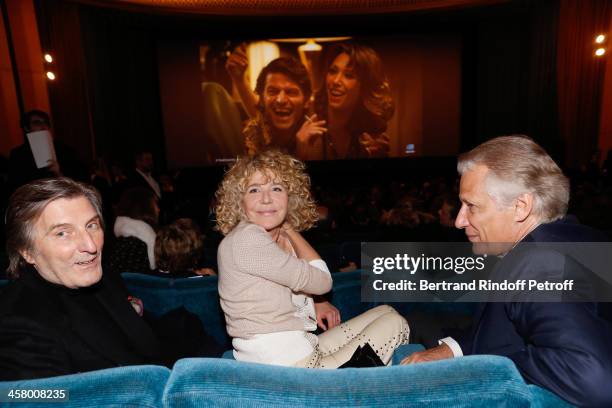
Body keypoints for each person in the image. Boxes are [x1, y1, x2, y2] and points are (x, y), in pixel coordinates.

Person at [401, 135, 612, 406]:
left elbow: (592, 377)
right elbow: (510, 332)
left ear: (520, 207)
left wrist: (479, 366)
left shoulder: (537, 264)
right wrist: (452, 350)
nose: (458, 220)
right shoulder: (573, 238)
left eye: (472, 206)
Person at [216, 150, 409, 368]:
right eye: (254, 190)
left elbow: (287, 289)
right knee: (396, 324)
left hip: (298, 347)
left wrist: (317, 302)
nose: (267, 198)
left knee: (386, 311)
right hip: (286, 365)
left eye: (277, 188)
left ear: (291, 197)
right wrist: (288, 226)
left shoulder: (272, 236)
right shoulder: (247, 239)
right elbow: (323, 282)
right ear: (240, 201)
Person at [0, 178, 164, 380]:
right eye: (62, 233)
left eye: (92, 225)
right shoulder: (17, 323)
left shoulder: (105, 278)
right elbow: (38, 396)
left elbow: (146, 340)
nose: (91, 246)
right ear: (27, 251)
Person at [299, 43, 395, 160]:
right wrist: (300, 154)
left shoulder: (370, 135)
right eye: (333, 71)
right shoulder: (306, 125)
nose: (336, 81)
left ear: (365, 86)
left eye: (348, 75)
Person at [226, 50, 318, 158]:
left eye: (291, 92)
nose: (280, 100)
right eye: (273, 91)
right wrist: (239, 79)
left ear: (306, 101)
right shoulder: (258, 130)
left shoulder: (316, 138)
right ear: (262, 99)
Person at [8, 110, 87, 191]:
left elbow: (81, 179)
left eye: (46, 123)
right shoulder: (18, 154)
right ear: (26, 128)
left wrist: (58, 173)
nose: (43, 126)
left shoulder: (64, 150)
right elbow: (15, 186)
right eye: (37, 123)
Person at [104, 187, 159, 275]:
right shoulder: (139, 242)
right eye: (155, 205)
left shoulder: (124, 236)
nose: (158, 209)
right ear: (146, 207)